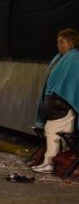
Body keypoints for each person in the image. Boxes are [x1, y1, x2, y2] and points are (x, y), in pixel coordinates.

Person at [31, 29, 79, 174]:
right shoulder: (60, 58)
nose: (58, 45)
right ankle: (55, 162)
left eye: (62, 42)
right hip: (58, 101)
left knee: (52, 131)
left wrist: (60, 96)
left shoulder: (74, 59)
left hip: (65, 102)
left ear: (71, 43)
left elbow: (71, 84)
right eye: (58, 41)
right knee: (57, 132)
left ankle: (50, 162)